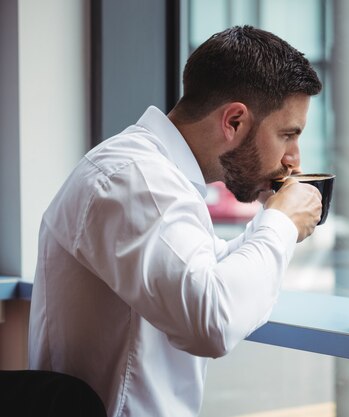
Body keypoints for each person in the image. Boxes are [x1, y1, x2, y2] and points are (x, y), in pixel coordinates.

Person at [28, 25, 323, 417]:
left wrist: (272, 220)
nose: (294, 160)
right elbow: (211, 322)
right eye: (288, 135)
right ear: (234, 121)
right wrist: (281, 223)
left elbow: (205, 271)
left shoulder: (160, 177)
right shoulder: (133, 179)